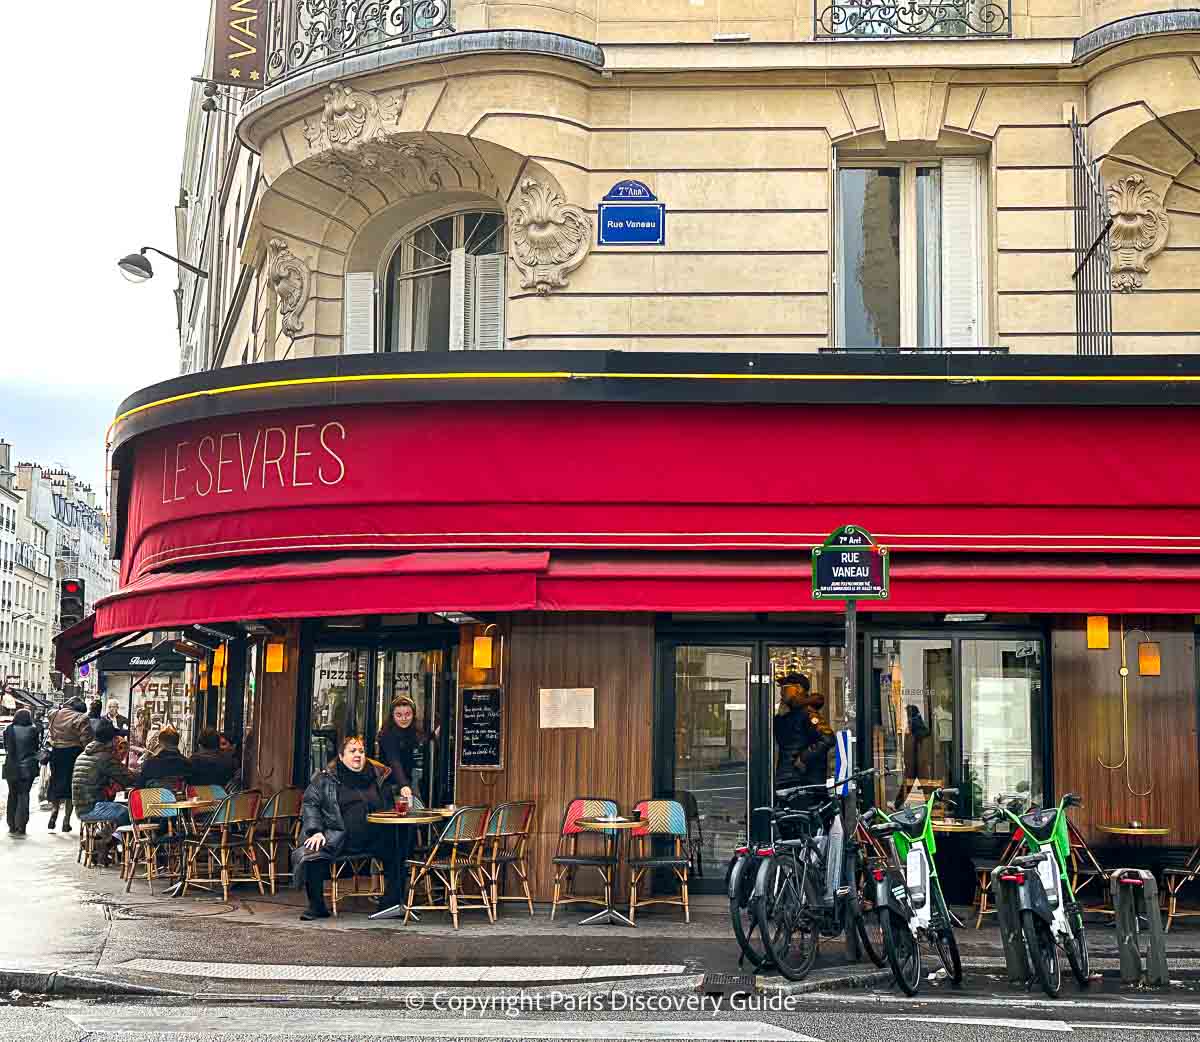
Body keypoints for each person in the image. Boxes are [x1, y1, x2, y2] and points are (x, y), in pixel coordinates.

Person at [291, 735, 403, 922]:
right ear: (341, 757)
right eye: (352, 751)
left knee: (400, 842)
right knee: (313, 850)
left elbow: (388, 805)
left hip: (373, 836)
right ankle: (317, 906)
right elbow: (310, 805)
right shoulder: (325, 779)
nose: (358, 755)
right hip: (340, 837)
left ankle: (391, 904)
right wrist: (315, 830)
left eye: (361, 751)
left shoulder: (378, 776)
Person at [773, 671, 835, 795]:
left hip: (803, 782)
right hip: (790, 779)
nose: (781, 692)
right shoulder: (787, 714)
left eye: (785, 688)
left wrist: (803, 758)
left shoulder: (807, 712)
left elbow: (827, 738)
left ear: (798, 689)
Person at [72, 720, 136, 830]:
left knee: (121, 808)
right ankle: (112, 840)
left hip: (80, 808)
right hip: (93, 808)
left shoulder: (84, 754)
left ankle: (106, 836)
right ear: (111, 740)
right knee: (128, 813)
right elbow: (127, 778)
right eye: (115, 738)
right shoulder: (104, 757)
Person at [376, 696, 433, 807]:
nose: (404, 718)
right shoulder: (387, 735)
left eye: (408, 714)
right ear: (392, 716)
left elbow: (423, 739)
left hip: (408, 783)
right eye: (399, 715)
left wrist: (434, 734)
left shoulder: (413, 731)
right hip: (390, 785)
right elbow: (394, 761)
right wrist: (403, 785)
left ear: (413, 715)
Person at [46, 695, 91, 832]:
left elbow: (49, 718)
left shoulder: (54, 714)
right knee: (71, 787)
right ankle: (66, 820)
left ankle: (54, 810)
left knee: (56, 782)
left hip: (56, 754)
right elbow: (85, 740)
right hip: (73, 754)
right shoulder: (82, 718)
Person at [4, 708, 40, 835]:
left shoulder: (9, 729)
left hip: (12, 767)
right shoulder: (33, 730)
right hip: (28, 768)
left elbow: (7, 747)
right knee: (24, 795)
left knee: (12, 795)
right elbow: (36, 748)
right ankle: (22, 825)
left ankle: (11, 824)